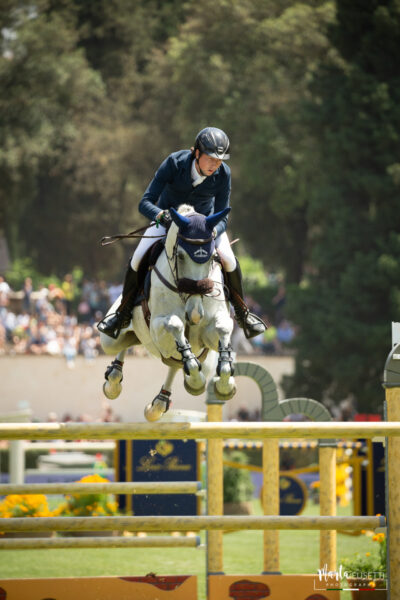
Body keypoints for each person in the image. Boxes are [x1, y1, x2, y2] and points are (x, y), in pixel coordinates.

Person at [98, 127, 266, 340]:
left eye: (220, 160)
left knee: (230, 261)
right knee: (138, 258)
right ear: (196, 153)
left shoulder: (224, 174)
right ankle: (122, 313)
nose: (216, 164)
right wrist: (162, 216)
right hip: (169, 221)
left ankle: (243, 314)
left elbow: (223, 215)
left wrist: (213, 230)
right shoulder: (174, 163)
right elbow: (145, 203)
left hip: (205, 227)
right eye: (211, 158)